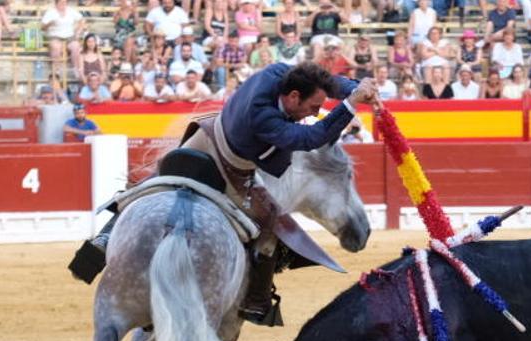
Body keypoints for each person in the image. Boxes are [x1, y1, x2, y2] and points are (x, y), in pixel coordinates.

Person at [69, 62, 383, 326]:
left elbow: (321, 82)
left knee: (153, 183)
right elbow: (312, 136)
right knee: (269, 224)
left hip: (207, 136)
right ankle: (256, 300)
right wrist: (352, 103)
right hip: (233, 169)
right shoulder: (265, 118)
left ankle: (103, 240)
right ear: (293, 97)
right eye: (313, 107)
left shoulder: (277, 73)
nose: (313, 113)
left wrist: (355, 88)